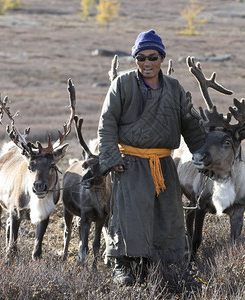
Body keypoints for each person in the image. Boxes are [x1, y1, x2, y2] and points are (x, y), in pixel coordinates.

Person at [97, 29, 205, 285]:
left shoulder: (174, 88)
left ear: (161, 58)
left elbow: (189, 123)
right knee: (129, 216)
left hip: (163, 165)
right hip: (130, 164)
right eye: (140, 57)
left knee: (166, 215)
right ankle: (124, 266)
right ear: (135, 59)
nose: (147, 62)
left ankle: (160, 266)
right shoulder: (121, 85)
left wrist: (201, 151)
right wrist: (112, 158)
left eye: (152, 57)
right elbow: (107, 124)